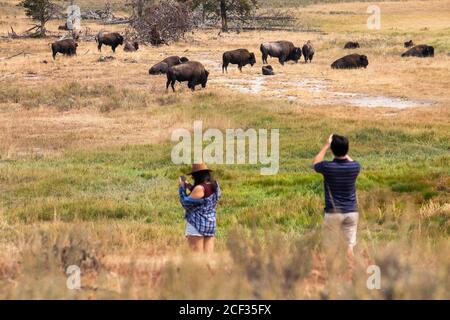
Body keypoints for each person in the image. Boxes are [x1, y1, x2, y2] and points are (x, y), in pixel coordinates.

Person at [313, 134, 361, 277]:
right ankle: (352, 272)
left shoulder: (327, 167)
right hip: (352, 212)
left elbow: (315, 163)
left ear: (332, 150)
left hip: (333, 213)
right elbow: (350, 160)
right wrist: (344, 151)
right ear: (347, 149)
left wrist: (326, 145)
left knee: (330, 246)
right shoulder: (355, 167)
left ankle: (332, 275)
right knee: (349, 246)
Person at [178, 163, 221, 254]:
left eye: (193, 176)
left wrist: (181, 188)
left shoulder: (199, 188)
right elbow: (204, 197)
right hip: (210, 224)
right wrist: (190, 187)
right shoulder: (215, 185)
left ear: (197, 176)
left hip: (197, 224)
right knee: (208, 258)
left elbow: (185, 203)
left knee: (196, 258)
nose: (193, 178)